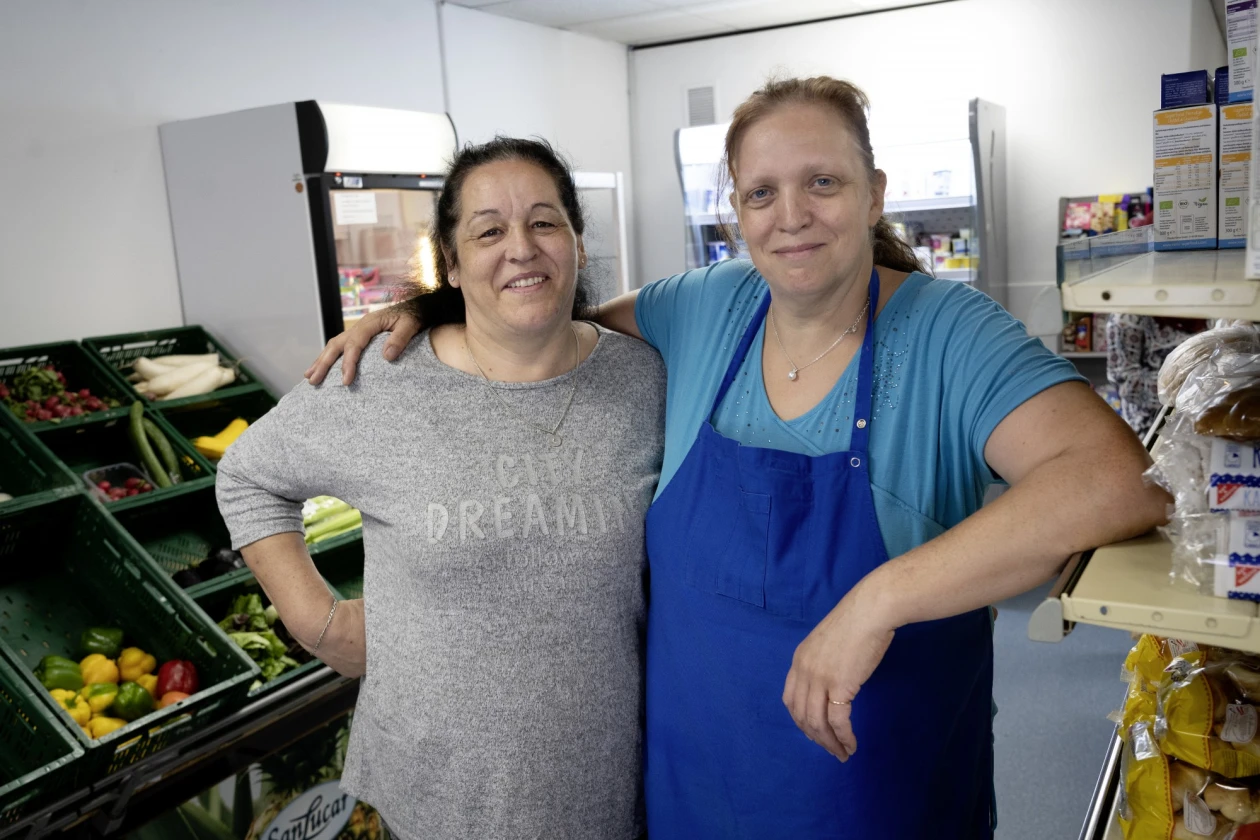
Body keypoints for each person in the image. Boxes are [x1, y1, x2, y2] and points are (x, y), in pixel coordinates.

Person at [306, 77, 1169, 838]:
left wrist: (878, 598)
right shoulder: (705, 308)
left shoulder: (949, 333)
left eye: (822, 183)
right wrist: (430, 319)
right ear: (735, 213)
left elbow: (1115, 479)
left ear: (873, 194)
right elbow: (546, 331)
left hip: (873, 799)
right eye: (762, 193)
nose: (791, 216)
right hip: (692, 793)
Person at [216, 137, 665, 840]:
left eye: (544, 222)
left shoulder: (644, 380)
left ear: (576, 241)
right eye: (488, 230)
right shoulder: (381, 378)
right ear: (451, 264)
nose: (520, 247)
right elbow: (246, 475)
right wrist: (317, 621)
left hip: (608, 793)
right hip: (427, 802)